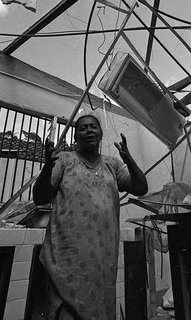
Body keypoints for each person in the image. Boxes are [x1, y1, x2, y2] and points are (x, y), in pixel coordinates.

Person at [33, 114, 148, 320]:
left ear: (101, 133)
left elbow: (140, 187)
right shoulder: (64, 160)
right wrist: (47, 168)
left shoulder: (113, 165)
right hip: (67, 255)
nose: (88, 130)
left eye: (93, 127)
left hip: (103, 257)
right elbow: (40, 197)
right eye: (82, 128)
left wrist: (128, 158)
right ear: (75, 137)